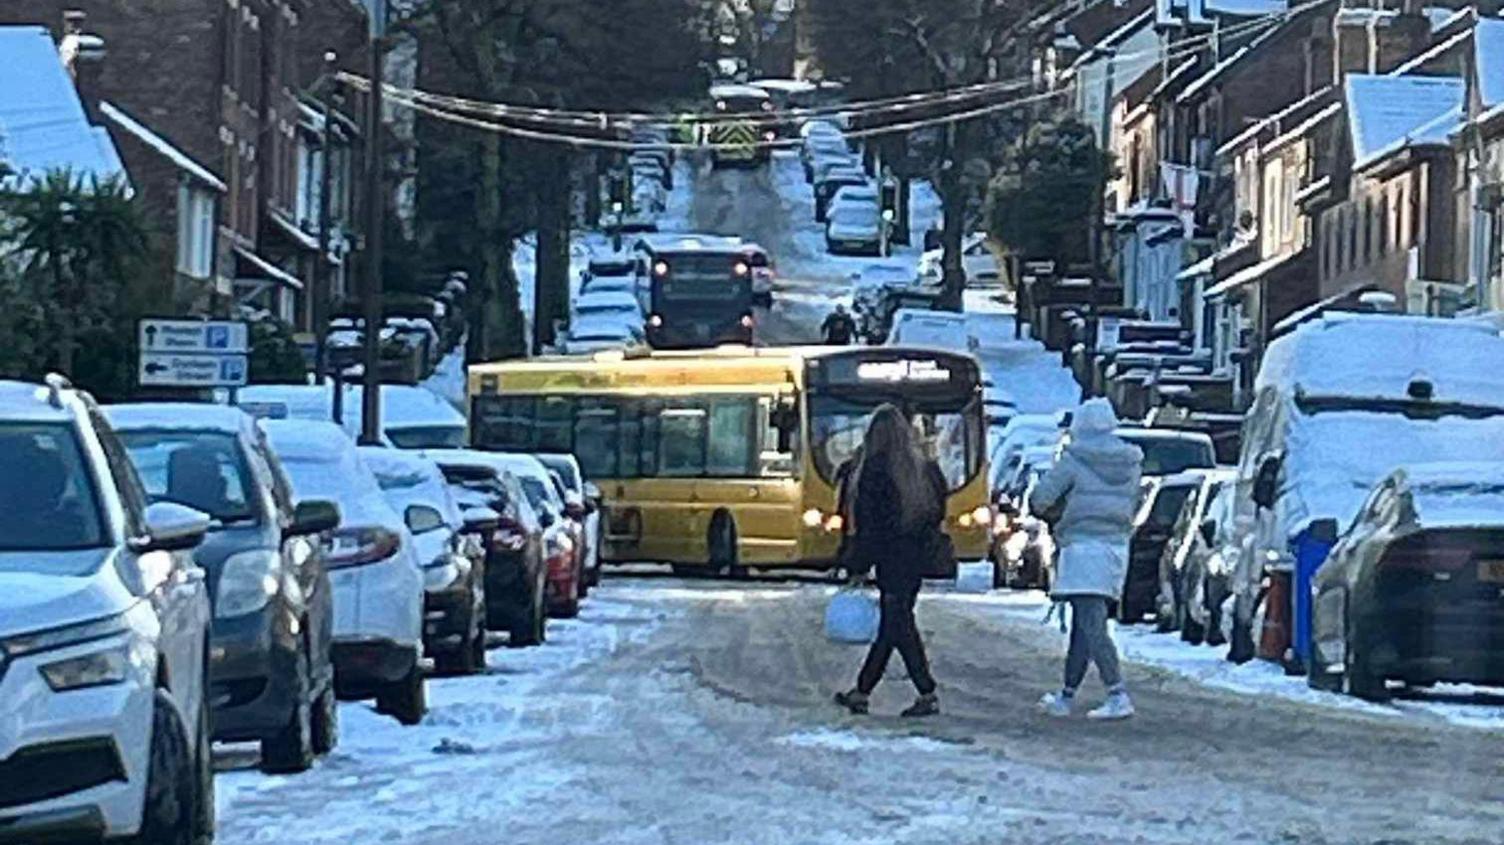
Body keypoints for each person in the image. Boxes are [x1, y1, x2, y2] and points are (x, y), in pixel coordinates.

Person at [1029, 398, 1143, 720]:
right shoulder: (1131, 461)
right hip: (1116, 547)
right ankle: (1067, 694)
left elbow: (1041, 499)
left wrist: (1056, 511)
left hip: (1081, 545)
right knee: (1085, 622)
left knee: (1092, 624)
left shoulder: (1074, 458)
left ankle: (1117, 692)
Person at [834, 405, 949, 718]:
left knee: (898, 625)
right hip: (914, 559)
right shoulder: (924, 471)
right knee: (893, 624)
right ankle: (863, 690)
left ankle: (925, 691)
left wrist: (857, 564)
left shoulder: (873, 470)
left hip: (889, 559)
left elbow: (871, 526)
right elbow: (937, 513)